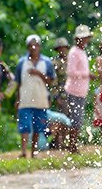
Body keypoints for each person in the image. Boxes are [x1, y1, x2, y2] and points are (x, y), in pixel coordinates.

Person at [13, 34, 56, 158]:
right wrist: (17, 99)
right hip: (25, 99)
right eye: (31, 45)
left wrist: (39, 74)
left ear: (39, 47)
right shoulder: (22, 62)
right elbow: (18, 82)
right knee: (24, 126)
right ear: (27, 47)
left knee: (38, 126)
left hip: (40, 99)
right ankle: (23, 151)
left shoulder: (46, 62)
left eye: (36, 45)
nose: (33, 47)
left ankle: (34, 151)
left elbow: (52, 81)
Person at [63, 25, 93, 153]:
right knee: (76, 119)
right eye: (83, 38)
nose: (85, 40)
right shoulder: (74, 52)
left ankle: (73, 145)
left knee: (78, 120)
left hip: (81, 91)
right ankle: (72, 146)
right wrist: (87, 75)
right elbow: (71, 71)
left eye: (86, 38)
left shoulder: (82, 51)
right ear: (77, 39)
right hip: (73, 91)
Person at [50, 37, 70, 149]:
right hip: (61, 94)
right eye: (60, 49)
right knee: (61, 118)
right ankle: (59, 142)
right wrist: (56, 96)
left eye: (64, 48)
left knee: (70, 119)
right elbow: (54, 82)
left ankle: (65, 141)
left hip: (72, 93)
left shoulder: (71, 61)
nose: (62, 50)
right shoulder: (55, 63)